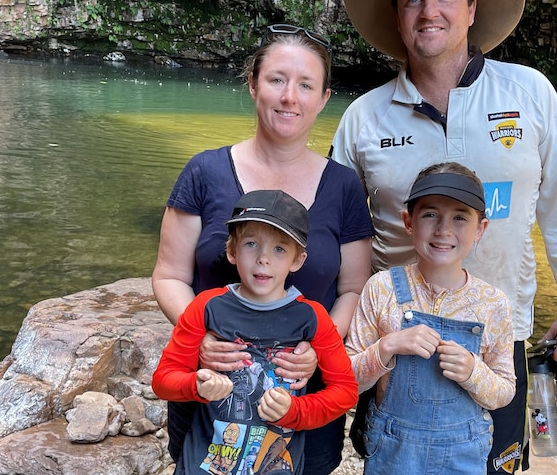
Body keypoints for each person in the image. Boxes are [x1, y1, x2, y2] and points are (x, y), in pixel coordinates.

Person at [330, 0, 557, 474]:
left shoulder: (529, 94)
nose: (430, 11)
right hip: (395, 339)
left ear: (472, 8)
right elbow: (337, 232)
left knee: (494, 465)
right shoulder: (363, 118)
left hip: (502, 333)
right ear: (398, 17)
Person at [152, 24, 374, 474]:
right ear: (253, 84)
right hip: (210, 393)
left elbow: (354, 288)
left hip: (300, 398)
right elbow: (169, 276)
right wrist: (201, 338)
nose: (290, 97)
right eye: (277, 79)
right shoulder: (205, 171)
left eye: (305, 85)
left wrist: (319, 346)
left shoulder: (345, 186)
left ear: (324, 98)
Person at [152, 189, 359, 475]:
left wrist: (295, 412)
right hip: (204, 464)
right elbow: (163, 380)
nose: (264, 258)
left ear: (297, 260)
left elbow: (345, 392)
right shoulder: (206, 306)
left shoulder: (313, 318)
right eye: (251, 244)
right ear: (232, 251)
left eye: (280, 249)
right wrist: (196, 386)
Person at [345, 162, 516, 475]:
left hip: (463, 453)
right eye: (430, 214)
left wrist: (473, 372)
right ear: (409, 222)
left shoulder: (493, 304)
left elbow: (504, 392)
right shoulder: (381, 289)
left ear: (481, 229)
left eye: (460, 217)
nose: (443, 230)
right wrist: (386, 347)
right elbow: (347, 380)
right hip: (392, 448)